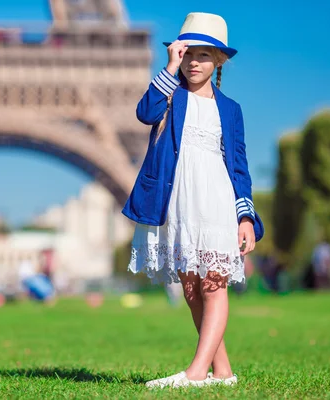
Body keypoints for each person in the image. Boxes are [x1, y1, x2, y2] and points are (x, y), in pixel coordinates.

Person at [121, 12, 265, 389]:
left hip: (215, 200)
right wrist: (168, 66)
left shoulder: (231, 110)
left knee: (212, 284)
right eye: (188, 54)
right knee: (190, 288)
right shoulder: (170, 95)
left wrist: (245, 218)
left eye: (204, 55)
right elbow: (144, 113)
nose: (194, 62)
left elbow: (239, 167)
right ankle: (224, 373)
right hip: (177, 200)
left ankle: (196, 372)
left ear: (219, 61)